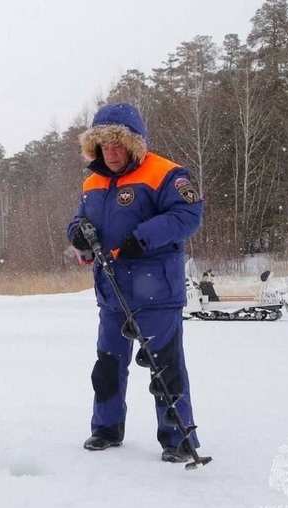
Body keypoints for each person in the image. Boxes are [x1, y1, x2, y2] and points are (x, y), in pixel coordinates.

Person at [67, 102, 204, 463]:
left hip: (156, 290)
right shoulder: (92, 182)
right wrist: (78, 237)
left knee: (165, 367)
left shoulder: (166, 173)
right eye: (103, 146)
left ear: (132, 144)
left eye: (117, 146)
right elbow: (79, 221)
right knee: (108, 365)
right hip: (111, 292)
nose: (110, 154)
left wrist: (140, 238)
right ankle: (106, 429)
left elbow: (189, 215)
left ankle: (177, 438)